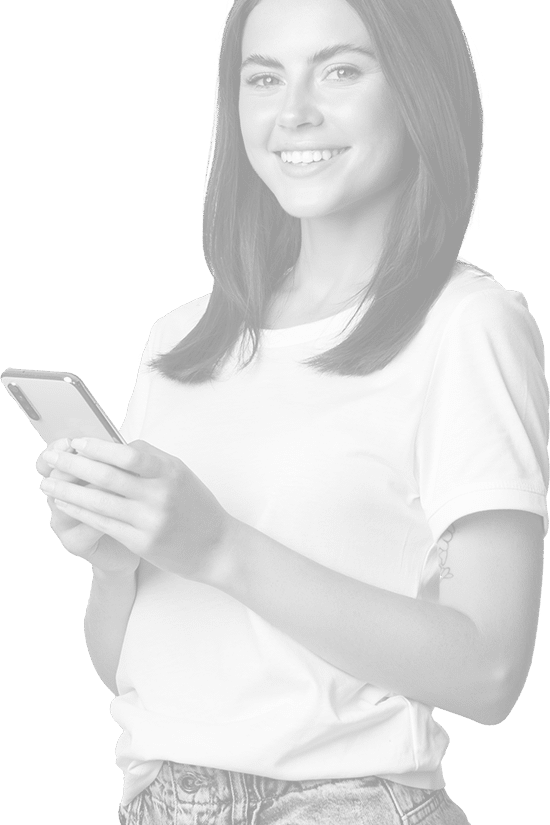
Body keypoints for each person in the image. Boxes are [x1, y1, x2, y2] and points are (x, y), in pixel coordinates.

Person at [36, 0, 548, 823]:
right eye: (264, 78)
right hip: (158, 798)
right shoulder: (181, 340)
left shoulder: (468, 324)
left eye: (340, 70)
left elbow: (490, 673)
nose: (294, 112)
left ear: (418, 90)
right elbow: (131, 670)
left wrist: (219, 546)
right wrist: (117, 562)